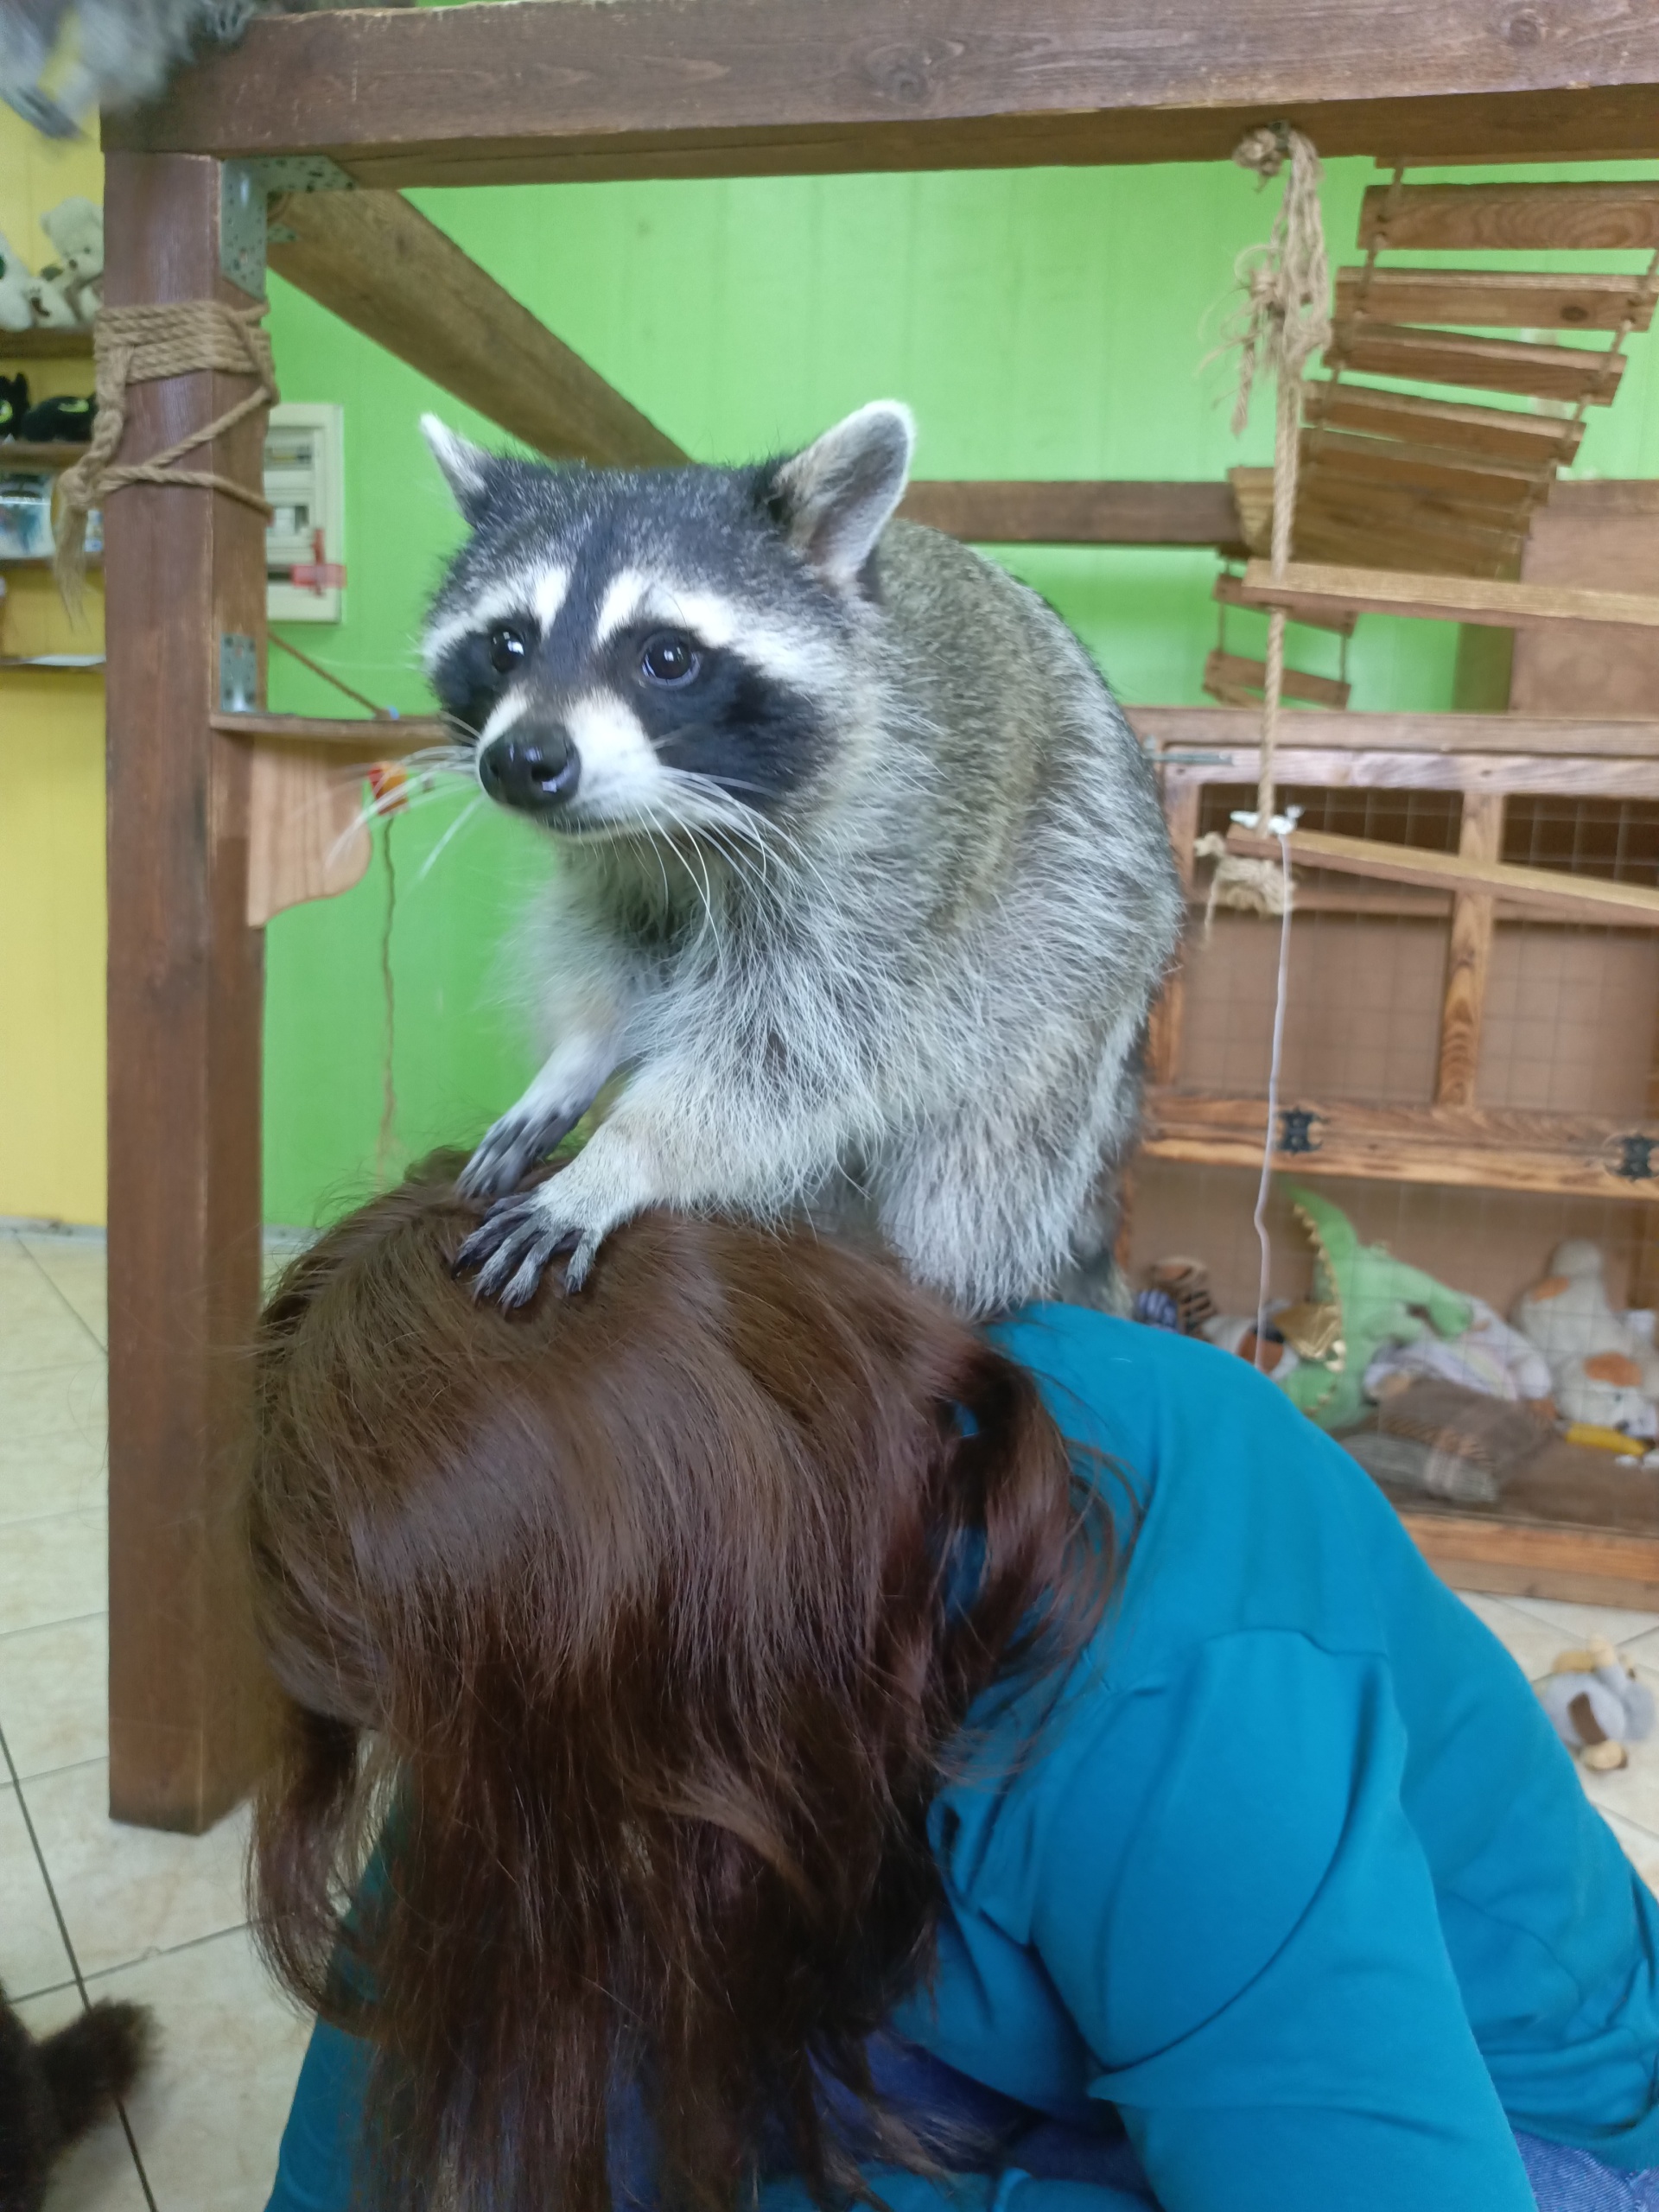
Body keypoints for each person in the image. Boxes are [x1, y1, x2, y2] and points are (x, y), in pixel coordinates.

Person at [248, 1158, 1659, 2212]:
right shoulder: (653, 1532)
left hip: (1499, 2135)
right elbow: (424, 1959)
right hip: (1072, 2014)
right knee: (572, 2017)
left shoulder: (1167, 1689)